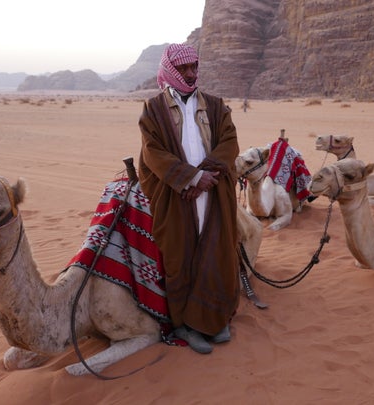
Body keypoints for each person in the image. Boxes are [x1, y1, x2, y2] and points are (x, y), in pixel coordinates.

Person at [138, 43, 240, 354]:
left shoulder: (214, 105)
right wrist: (191, 178)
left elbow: (229, 142)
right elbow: (152, 153)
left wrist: (206, 176)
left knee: (216, 252)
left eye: (194, 67)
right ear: (170, 69)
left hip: (214, 193)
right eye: (184, 68)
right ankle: (187, 325)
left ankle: (214, 318)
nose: (191, 73)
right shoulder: (153, 110)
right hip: (176, 196)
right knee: (181, 258)